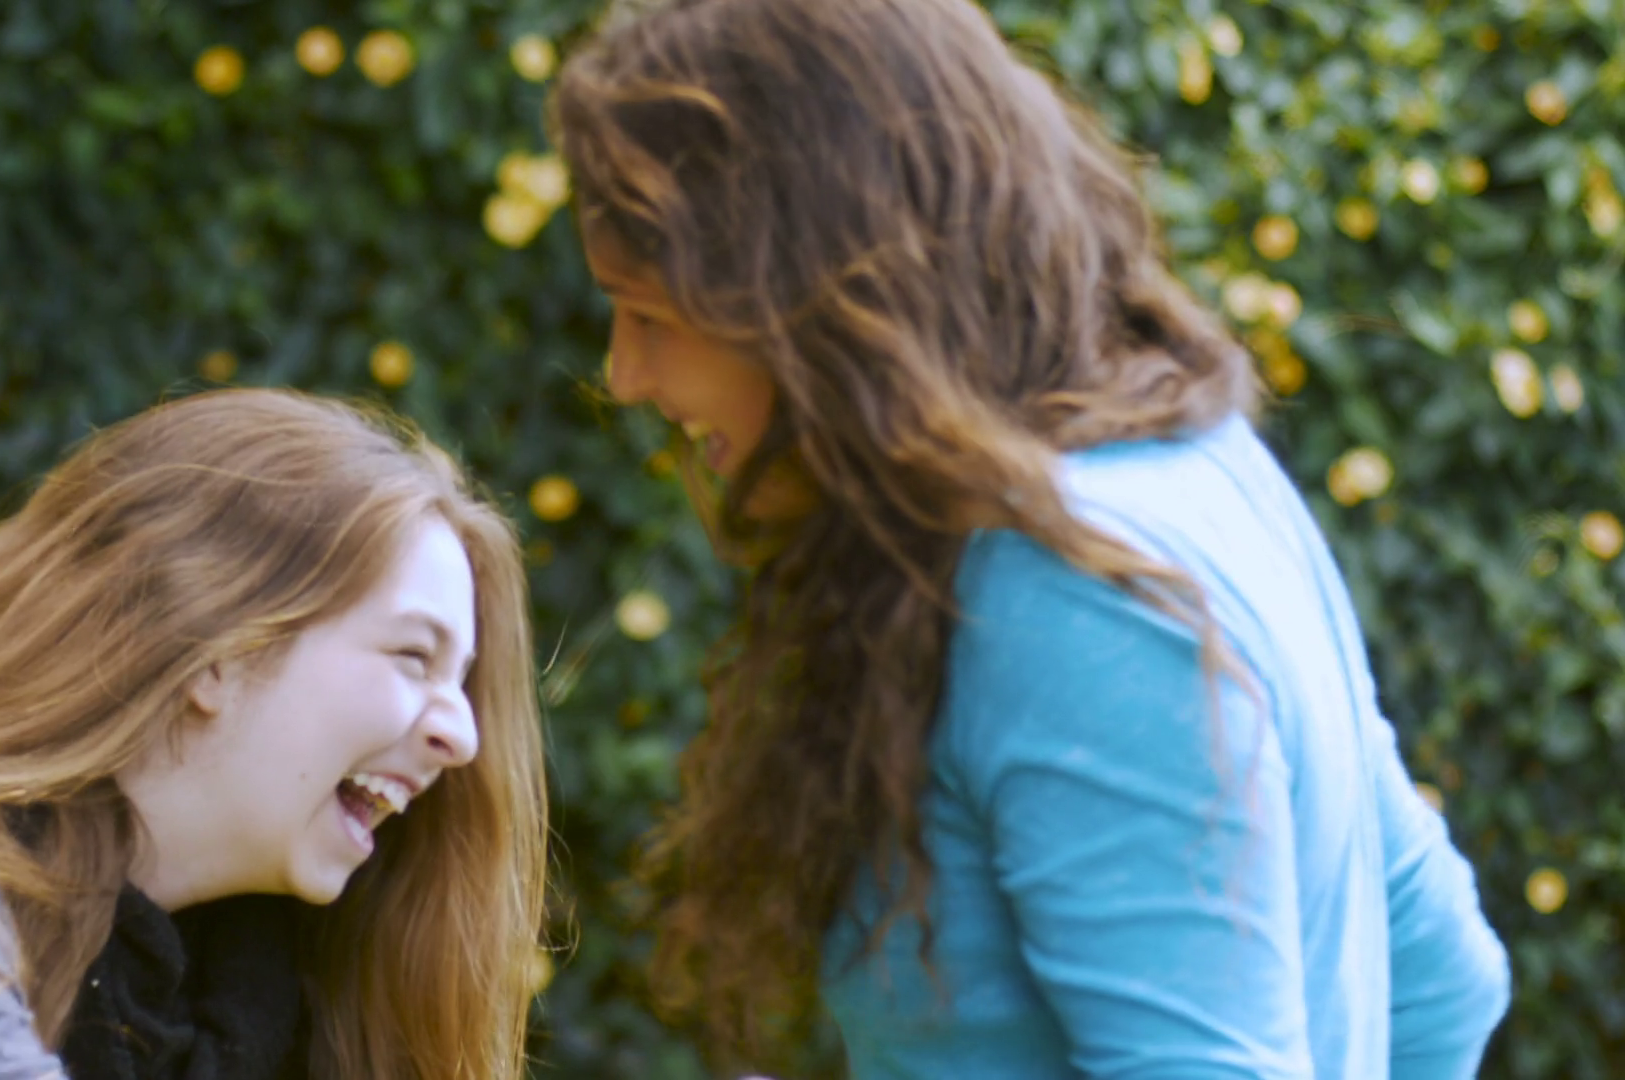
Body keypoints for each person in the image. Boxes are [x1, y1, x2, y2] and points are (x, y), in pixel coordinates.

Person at [549, 1, 1511, 1077]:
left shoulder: (1065, 585)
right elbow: (1442, 976)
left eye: (650, 314)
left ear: (820, 292)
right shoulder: (1199, 470)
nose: (625, 375)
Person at [0, 388, 547, 1080]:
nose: (462, 736)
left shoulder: (264, 986)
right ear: (217, 649)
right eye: (412, 656)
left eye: (460, 680)